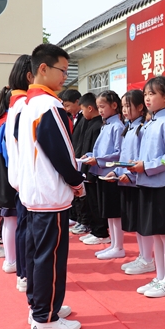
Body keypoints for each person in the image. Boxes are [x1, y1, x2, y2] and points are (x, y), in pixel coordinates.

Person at [17, 43, 84, 329]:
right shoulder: (48, 105)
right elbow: (61, 152)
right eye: (62, 70)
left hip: (33, 194)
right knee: (50, 258)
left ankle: (38, 307)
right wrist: (76, 182)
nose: (65, 77)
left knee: (37, 256)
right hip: (49, 195)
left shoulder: (27, 105)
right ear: (43, 68)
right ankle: (45, 319)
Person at [129, 76, 165, 298]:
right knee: (157, 235)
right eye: (146, 94)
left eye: (152, 94)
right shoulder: (150, 122)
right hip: (150, 183)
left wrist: (146, 166)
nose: (148, 98)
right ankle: (160, 277)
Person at [112, 90, 155, 274]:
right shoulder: (128, 127)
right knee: (136, 223)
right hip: (126, 180)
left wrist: (130, 176)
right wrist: (117, 171)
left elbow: (141, 157)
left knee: (142, 223)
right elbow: (124, 155)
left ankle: (148, 259)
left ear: (140, 107)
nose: (124, 110)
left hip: (137, 181)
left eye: (128, 106)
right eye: (123, 106)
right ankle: (142, 256)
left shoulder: (142, 129)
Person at [81, 90, 125, 256]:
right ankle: (114, 244)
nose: (100, 110)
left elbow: (119, 153)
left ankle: (118, 246)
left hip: (111, 173)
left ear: (114, 105)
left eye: (102, 106)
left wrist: (98, 159)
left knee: (114, 213)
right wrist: (90, 156)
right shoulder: (106, 125)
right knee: (108, 214)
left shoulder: (117, 126)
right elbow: (101, 149)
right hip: (101, 172)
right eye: (98, 107)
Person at [4, 54, 33, 292]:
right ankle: (25, 275)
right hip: (26, 177)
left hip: (18, 176)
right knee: (27, 230)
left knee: (23, 228)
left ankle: (24, 274)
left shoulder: (15, 103)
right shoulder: (25, 104)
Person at [0, 84, 21, 274]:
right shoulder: (9, 120)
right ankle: (11, 260)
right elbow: (9, 154)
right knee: (10, 218)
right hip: (6, 172)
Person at [75, 93, 102, 239]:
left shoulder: (98, 125)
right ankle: (93, 229)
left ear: (90, 108)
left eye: (83, 109)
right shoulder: (90, 123)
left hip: (93, 169)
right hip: (87, 167)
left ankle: (99, 231)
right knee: (90, 202)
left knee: (95, 203)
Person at [59, 89, 86, 228]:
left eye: (68, 105)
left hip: (82, 157)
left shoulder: (83, 118)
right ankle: (77, 217)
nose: (66, 109)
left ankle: (83, 221)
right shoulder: (74, 117)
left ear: (77, 102)